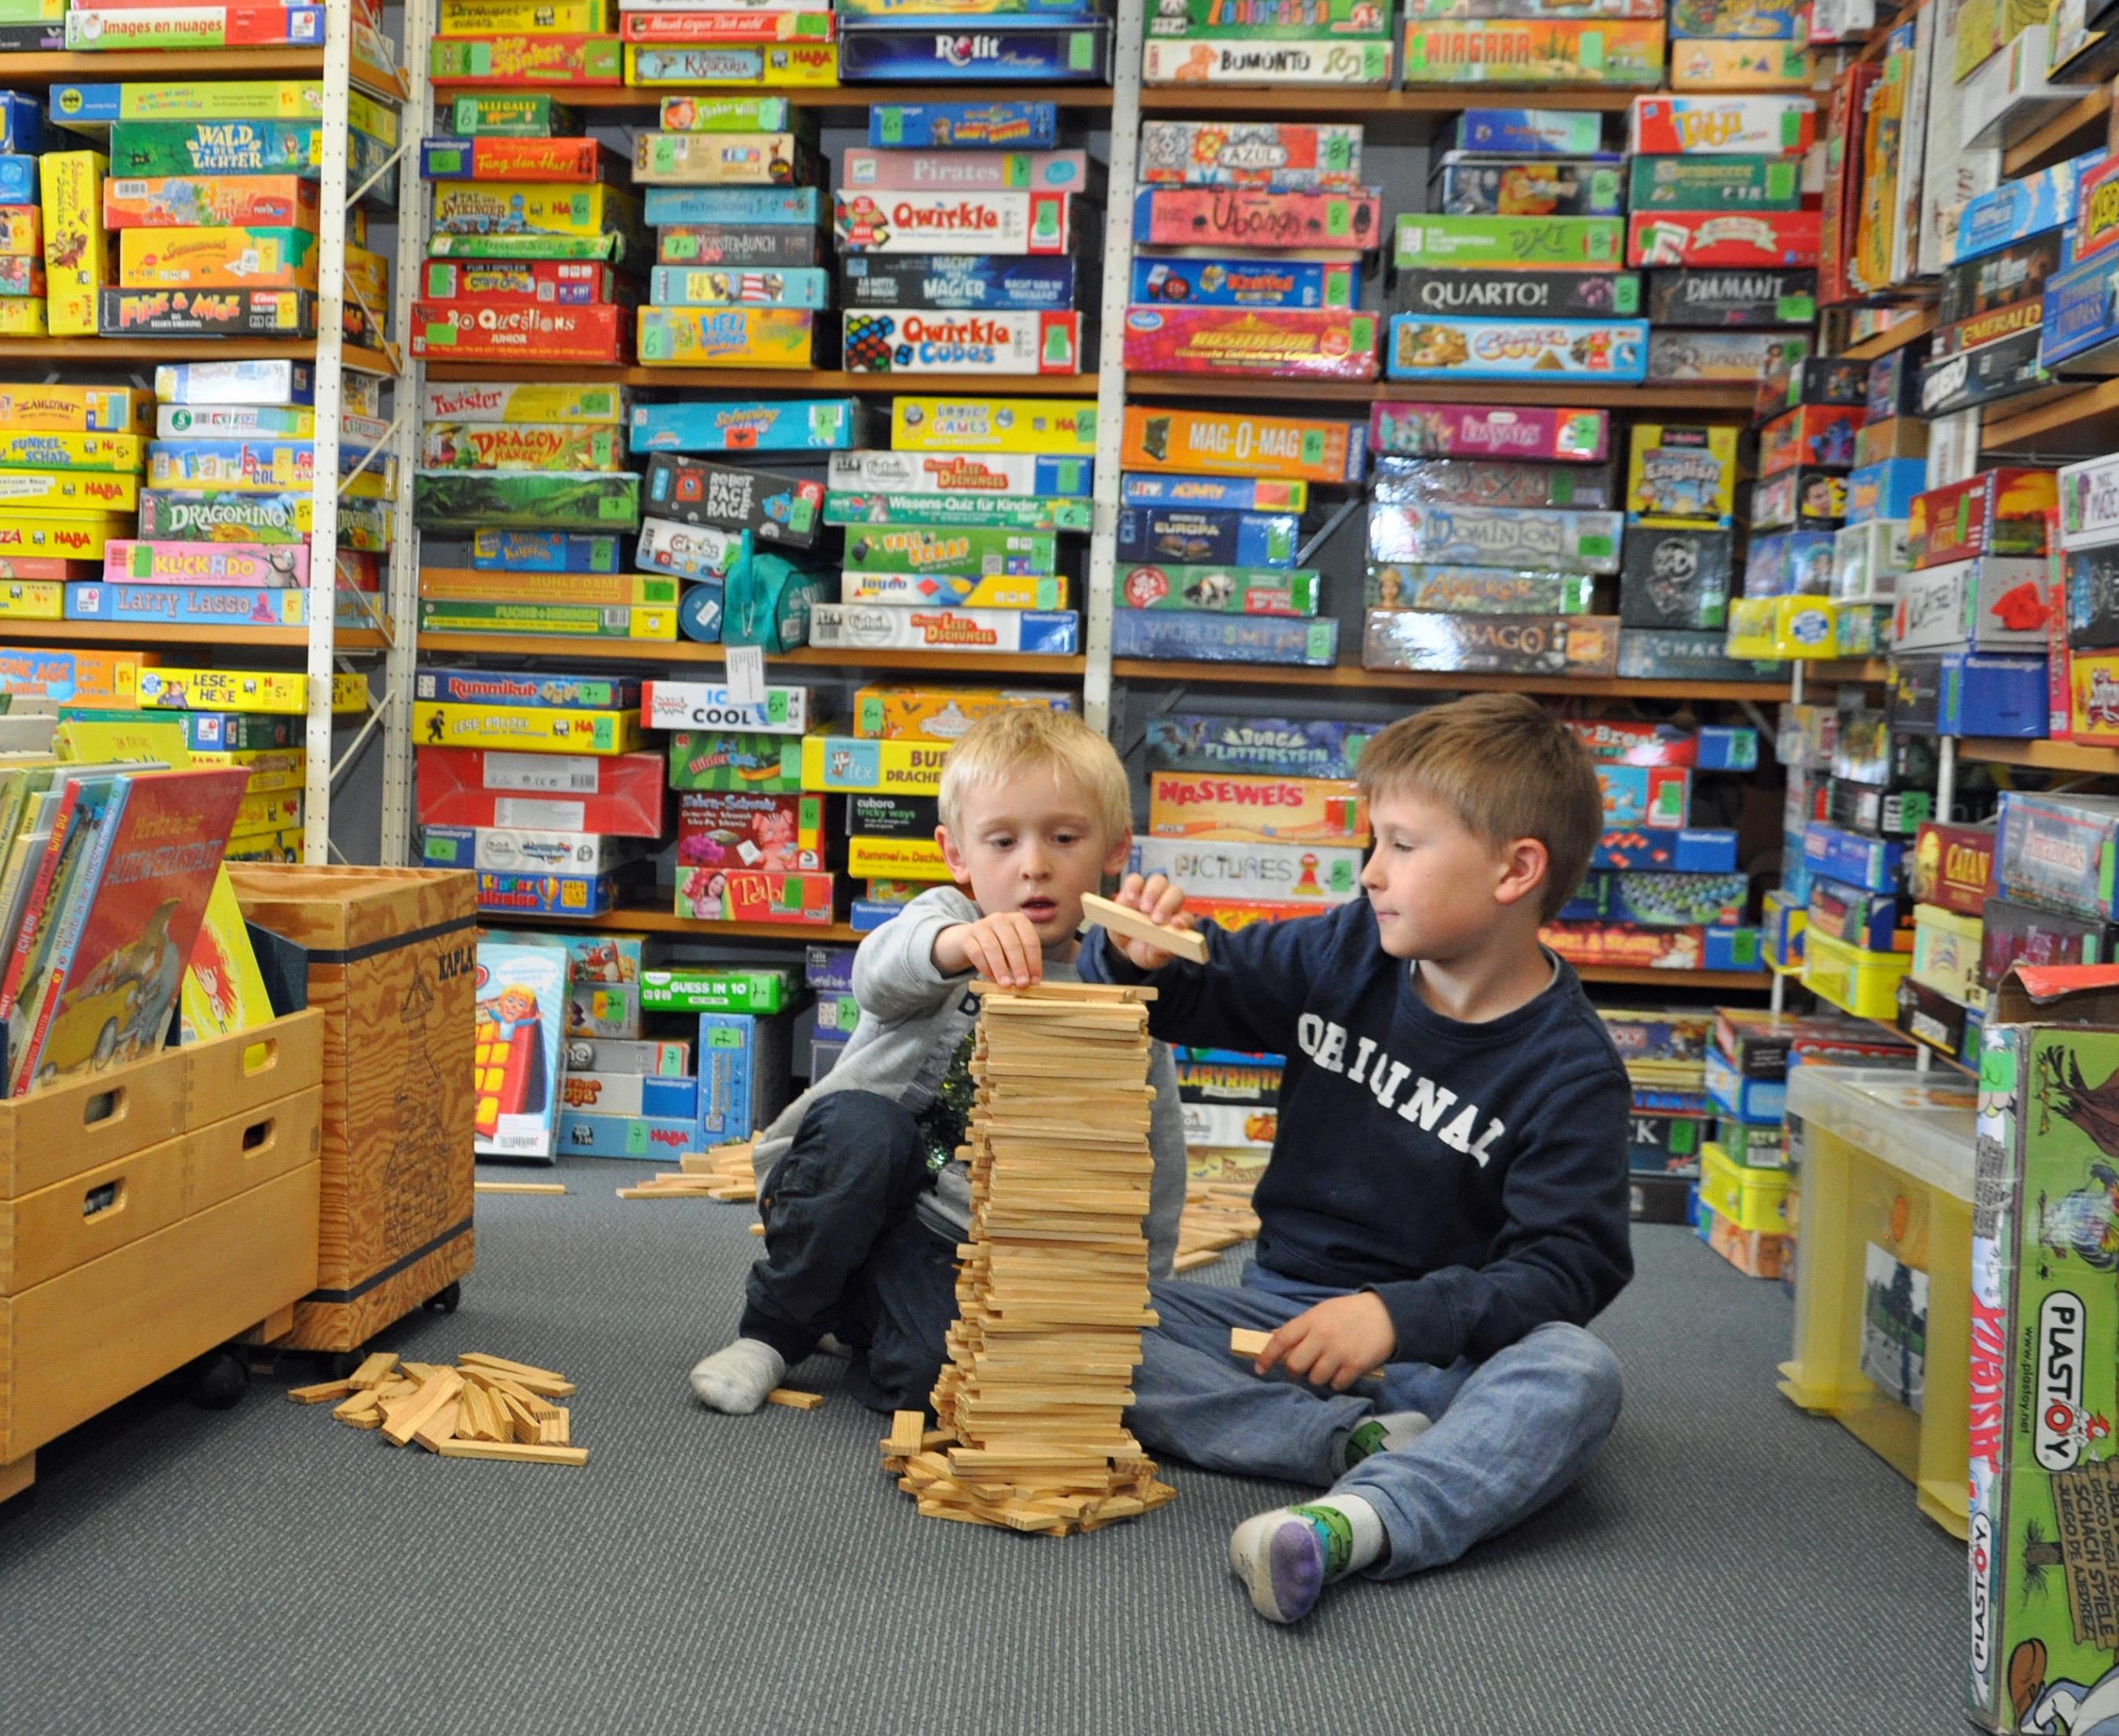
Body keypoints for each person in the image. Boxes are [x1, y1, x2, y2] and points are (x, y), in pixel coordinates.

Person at [1085, 693, 1631, 1627]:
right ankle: (1352, 1444)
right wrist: (1144, 961)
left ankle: (1353, 1524)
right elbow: (1208, 987)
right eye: (1372, 842)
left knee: (1578, 1373)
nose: (1370, 871)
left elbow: (1566, 1266)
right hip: (1279, 1320)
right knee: (1072, 1320)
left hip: (1442, 1351)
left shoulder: (1571, 1071)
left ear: (1515, 869)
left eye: (1402, 846)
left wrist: (1395, 1314)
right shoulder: (1347, 946)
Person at [689, 702, 1186, 1417]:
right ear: (957, 855)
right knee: (869, 1131)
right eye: (1002, 841)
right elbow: (878, 973)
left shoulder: (1124, 992)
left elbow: (1151, 1154)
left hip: (952, 1239)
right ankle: (772, 1331)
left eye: (1064, 838)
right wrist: (953, 949)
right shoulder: (944, 921)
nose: (1034, 866)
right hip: (840, 1185)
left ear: (1114, 849)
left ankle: (855, 1307)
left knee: (931, 1385)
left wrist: (1145, 1292)